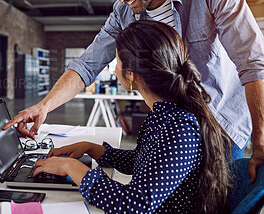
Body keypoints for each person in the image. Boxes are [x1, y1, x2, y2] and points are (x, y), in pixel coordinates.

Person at [3, 0, 264, 182]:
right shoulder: (123, 12)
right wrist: (44, 106)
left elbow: (252, 62)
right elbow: (88, 63)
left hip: (219, 121)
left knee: (216, 198)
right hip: (172, 127)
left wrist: (261, 140)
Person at [33, 21, 231, 214]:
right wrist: (92, 148)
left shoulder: (179, 128)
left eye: (117, 61)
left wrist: (71, 167)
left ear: (131, 75)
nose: (115, 67)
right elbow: (143, 162)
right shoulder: (164, 113)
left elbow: (134, 205)